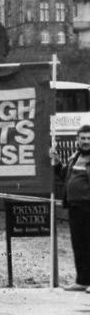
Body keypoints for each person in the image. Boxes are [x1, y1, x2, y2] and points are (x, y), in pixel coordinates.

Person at [51, 124, 90, 292]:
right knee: (79, 244)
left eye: (89, 139)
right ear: (77, 140)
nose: (86, 141)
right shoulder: (75, 157)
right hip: (75, 207)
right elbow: (63, 175)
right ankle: (82, 281)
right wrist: (56, 163)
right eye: (83, 138)